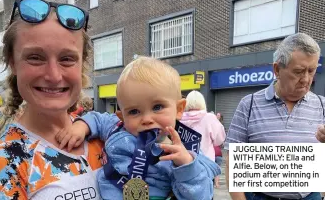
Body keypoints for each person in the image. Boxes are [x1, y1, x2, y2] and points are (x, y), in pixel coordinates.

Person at [0, 0, 104, 199]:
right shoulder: (5, 162)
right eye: (35, 57)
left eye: (67, 59)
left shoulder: (101, 134)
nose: (54, 75)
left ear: (82, 63)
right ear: (12, 62)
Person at [58, 56, 221, 200]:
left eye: (157, 107)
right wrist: (80, 126)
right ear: (122, 117)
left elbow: (201, 195)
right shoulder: (117, 127)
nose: (146, 119)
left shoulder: (182, 151)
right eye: (134, 111)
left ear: (179, 109)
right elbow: (97, 118)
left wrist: (186, 165)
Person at [224, 33, 324, 200]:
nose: (306, 79)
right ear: (277, 69)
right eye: (299, 71)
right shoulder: (248, 105)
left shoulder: (322, 105)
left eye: (312, 70)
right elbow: (232, 163)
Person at [180, 90, 226, 189]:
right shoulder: (209, 118)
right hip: (205, 167)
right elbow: (220, 140)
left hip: (182, 166)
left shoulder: (179, 119)